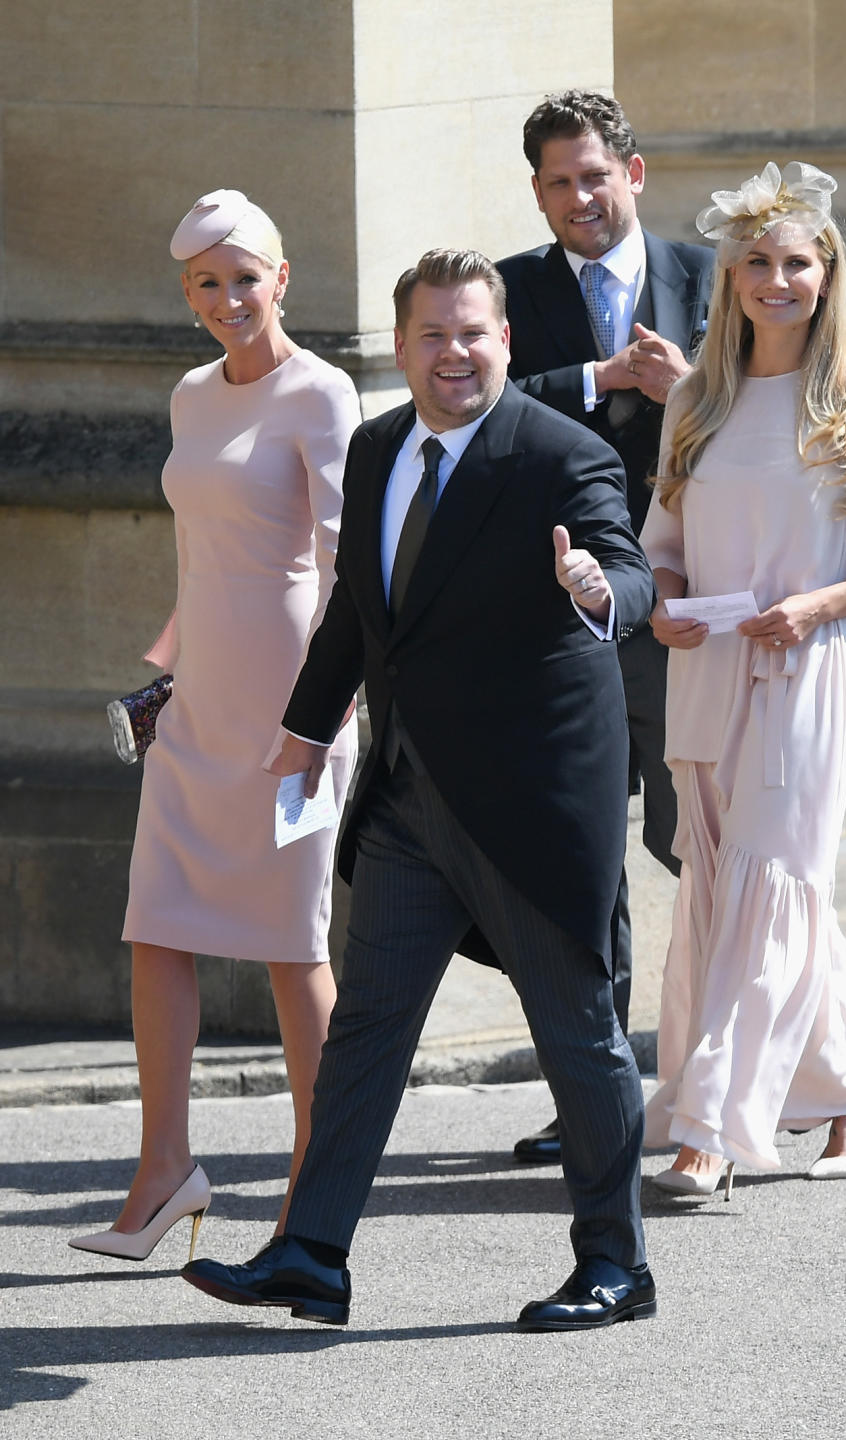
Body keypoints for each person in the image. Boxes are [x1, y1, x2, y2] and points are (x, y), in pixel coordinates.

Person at [180, 248, 658, 1332]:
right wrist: (305, 728)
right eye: (434, 334)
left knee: (576, 1032)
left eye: (476, 332)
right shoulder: (379, 444)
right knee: (367, 1032)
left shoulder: (560, 455)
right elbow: (360, 611)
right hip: (404, 802)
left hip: (528, 805)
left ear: (507, 340)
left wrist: (597, 591)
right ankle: (311, 1253)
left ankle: (617, 1264)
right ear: (401, 347)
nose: (456, 352)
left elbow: (627, 572)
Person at [69, 190, 361, 1261]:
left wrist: (322, 720)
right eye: (208, 282)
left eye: (247, 277)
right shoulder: (193, 396)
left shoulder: (324, 393)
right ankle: (163, 1174)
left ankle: (311, 1191)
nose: (230, 298)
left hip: (295, 702)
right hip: (202, 701)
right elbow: (207, 554)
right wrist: (168, 674)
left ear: (282, 279)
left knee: (293, 947)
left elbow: (347, 571)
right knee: (158, 927)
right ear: (187, 295)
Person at [638, 162, 846, 1196]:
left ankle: (707, 1132)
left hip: (810, 671)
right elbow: (662, 545)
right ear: (730, 280)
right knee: (744, 895)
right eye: (756, 262)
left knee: (770, 882)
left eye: (795, 262)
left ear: (827, 275)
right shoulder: (694, 401)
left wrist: (814, 606)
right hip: (707, 668)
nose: (775, 279)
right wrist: (666, 604)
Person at [497, 88, 714, 1162]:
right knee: (579, 865)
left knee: (699, 845)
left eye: (594, 174)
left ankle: (725, 1074)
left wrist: (686, 394)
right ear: (538, 195)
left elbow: (784, 418)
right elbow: (480, 403)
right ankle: (597, 1092)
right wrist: (599, 375)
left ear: (633, 173)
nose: (580, 196)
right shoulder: (507, 291)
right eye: (557, 182)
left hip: (681, 614)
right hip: (558, 617)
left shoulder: (716, 279)